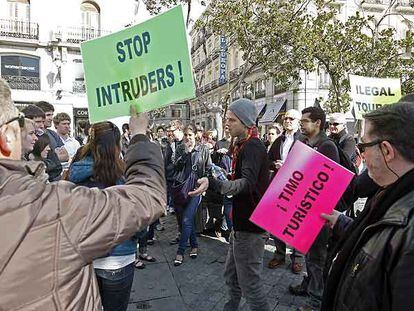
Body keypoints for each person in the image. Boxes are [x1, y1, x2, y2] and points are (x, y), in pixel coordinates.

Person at [0, 78, 166, 310]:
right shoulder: (51, 206)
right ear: (7, 138)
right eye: (20, 124)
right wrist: (140, 135)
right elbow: (148, 197)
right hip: (119, 259)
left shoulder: (67, 178)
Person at [321, 102, 414, 311]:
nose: (361, 156)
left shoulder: (408, 228)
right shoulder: (388, 192)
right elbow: (376, 240)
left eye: (363, 147)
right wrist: (342, 222)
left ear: (387, 150)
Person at [190, 98, 271, 311]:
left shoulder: (252, 146)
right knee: (231, 276)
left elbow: (246, 184)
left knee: (251, 285)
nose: (227, 123)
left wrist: (216, 184)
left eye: (231, 120)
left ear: (245, 123)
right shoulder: (242, 144)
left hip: (251, 228)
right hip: (241, 224)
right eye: (227, 119)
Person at [288, 106, 340, 311]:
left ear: (318, 123)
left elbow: (331, 182)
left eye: (305, 121)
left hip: (319, 213)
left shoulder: (327, 146)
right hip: (305, 209)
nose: (301, 124)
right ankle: (307, 285)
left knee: (317, 258)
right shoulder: (304, 142)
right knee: (309, 254)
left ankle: (316, 302)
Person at [267, 109, 306, 273]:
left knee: (296, 223)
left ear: (298, 122)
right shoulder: (278, 140)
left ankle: (297, 258)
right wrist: (274, 165)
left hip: (297, 187)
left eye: (291, 118)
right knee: (277, 222)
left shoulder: (304, 140)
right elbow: (267, 160)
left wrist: (290, 167)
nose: (287, 120)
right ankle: (279, 254)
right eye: (285, 118)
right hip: (279, 185)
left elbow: (309, 164)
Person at [173, 124, 212, 266]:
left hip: (196, 189)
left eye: (190, 135)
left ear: (195, 135)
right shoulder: (179, 149)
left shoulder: (203, 149)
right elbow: (175, 167)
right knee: (185, 220)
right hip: (181, 189)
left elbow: (208, 169)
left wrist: (204, 183)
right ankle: (194, 245)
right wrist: (186, 153)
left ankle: (180, 252)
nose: (188, 138)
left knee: (186, 220)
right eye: (186, 135)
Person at [34, 101, 66, 180]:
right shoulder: (32, 136)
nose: (51, 118)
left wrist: (51, 157)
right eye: (48, 115)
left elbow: (65, 156)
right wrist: (54, 157)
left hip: (56, 179)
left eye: (52, 115)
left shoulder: (53, 134)